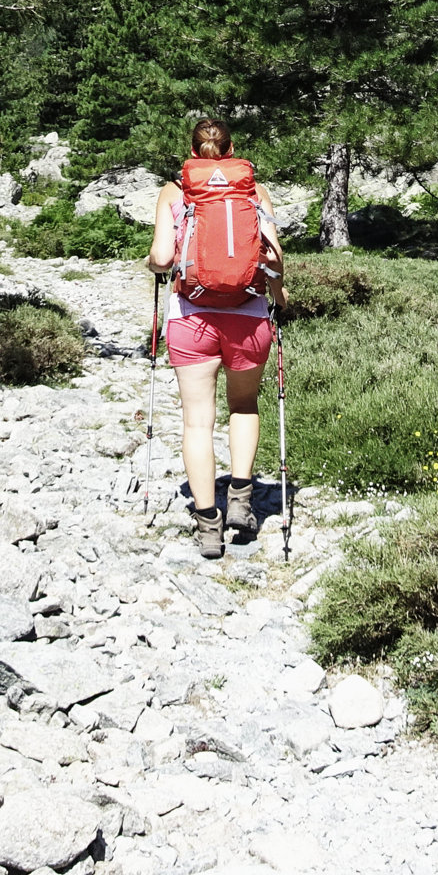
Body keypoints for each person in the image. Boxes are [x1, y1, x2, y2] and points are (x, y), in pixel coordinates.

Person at [147, 117, 283, 558]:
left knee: (197, 421)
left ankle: (209, 525)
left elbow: (162, 257)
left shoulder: (175, 191)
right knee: (243, 405)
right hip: (249, 317)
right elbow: (274, 259)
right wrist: (281, 298)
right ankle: (241, 499)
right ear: (231, 149)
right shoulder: (253, 191)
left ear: (192, 151)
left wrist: (154, 266)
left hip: (192, 318)